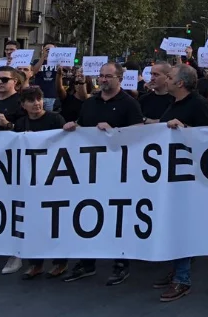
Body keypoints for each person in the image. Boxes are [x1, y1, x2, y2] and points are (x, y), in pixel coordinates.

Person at [62, 62, 144, 285]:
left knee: (118, 217)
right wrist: (73, 127)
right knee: (88, 215)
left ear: (119, 78)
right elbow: (82, 127)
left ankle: (121, 263)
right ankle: (86, 262)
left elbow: (140, 136)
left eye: (109, 76)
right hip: (89, 170)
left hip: (118, 172)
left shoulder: (130, 104)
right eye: (101, 76)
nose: (104, 79)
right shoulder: (90, 103)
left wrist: (114, 132)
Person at [151, 64, 208, 302]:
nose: (165, 80)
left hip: (191, 179)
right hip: (173, 177)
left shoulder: (200, 106)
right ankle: (178, 269)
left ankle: (183, 278)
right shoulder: (174, 104)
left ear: (180, 83)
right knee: (174, 226)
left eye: (169, 77)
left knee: (182, 228)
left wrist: (184, 129)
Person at [13, 86, 67, 280]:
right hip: (30, 180)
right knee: (32, 221)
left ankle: (60, 262)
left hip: (54, 177)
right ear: (23, 105)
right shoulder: (20, 123)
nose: (36, 103)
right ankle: (35, 264)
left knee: (54, 221)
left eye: (39, 99)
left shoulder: (55, 119)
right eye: (31, 100)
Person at [0, 66, 24, 132]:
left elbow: (28, 129)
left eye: (4, 79)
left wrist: (6, 124)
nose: (0, 82)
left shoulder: (22, 102)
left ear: (15, 81)